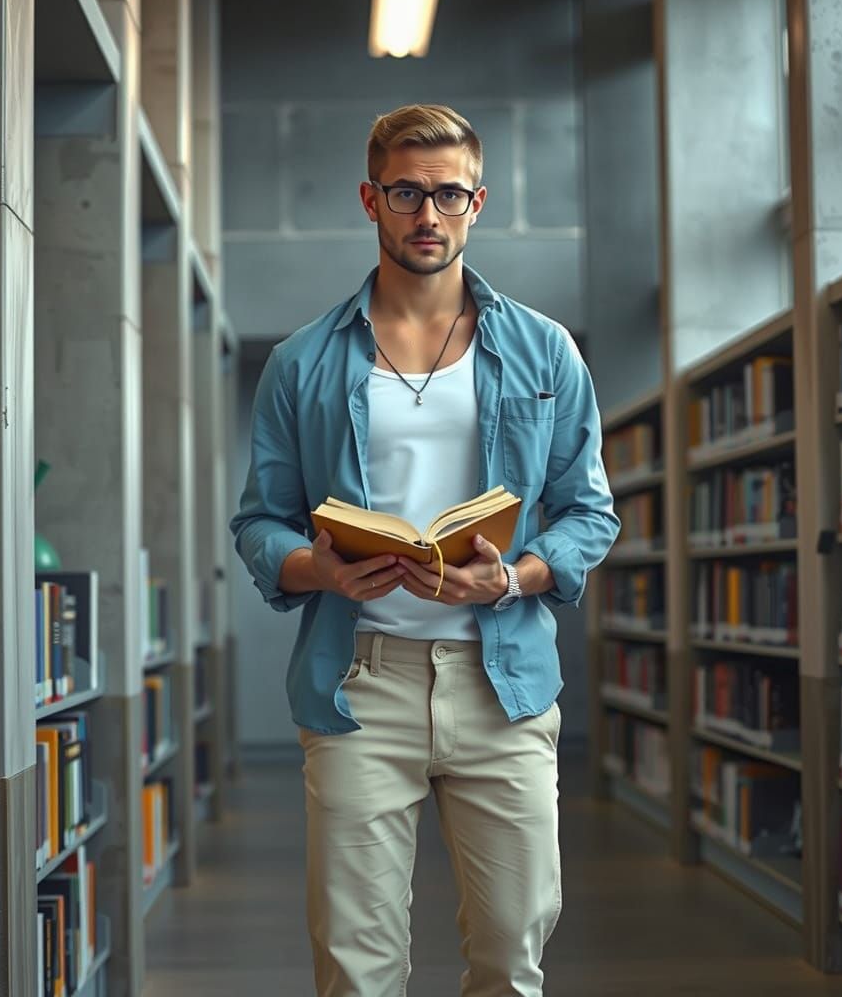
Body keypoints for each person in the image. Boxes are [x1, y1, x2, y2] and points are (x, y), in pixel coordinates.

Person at [230, 103, 620, 997]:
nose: (427, 215)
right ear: (371, 198)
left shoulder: (545, 351)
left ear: (478, 202)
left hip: (505, 680)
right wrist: (319, 568)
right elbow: (260, 522)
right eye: (407, 192)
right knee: (356, 965)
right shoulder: (302, 362)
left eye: (449, 195)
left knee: (511, 954)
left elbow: (588, 513)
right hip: (361, 681)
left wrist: (512, 576)